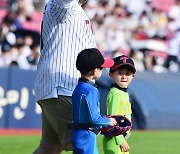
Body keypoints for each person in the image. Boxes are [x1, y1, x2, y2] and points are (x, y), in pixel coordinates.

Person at [33, 0, 96, 153]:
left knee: (50, 147)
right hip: (65, 88)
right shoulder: (63, 6)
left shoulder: (76, 10)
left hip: (57, 88)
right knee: (84, 144)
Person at [72, 48, 117, 154]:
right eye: (101, 68)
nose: (102, 70)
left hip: (77, 133)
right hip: (87, 136)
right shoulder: (91, 90)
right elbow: (94, 119)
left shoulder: (78, 88)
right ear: (94, 71)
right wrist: (109, 121)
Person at [103, 55, 136, 154]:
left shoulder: (123, 93)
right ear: (111, 74)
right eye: (120, 73)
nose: (124, 76)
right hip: (115, 139)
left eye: (128, 73)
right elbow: (114, 119)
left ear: (133, 76)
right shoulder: (115, 93)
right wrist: (121, 140)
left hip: (121, 138)